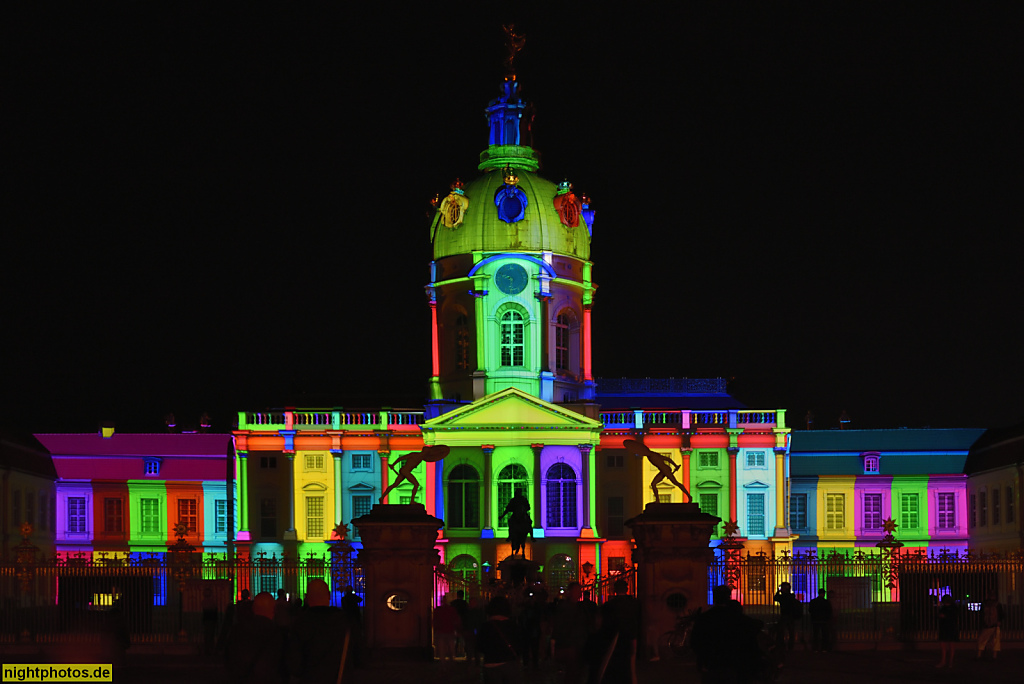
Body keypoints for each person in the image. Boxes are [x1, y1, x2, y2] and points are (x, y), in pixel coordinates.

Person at [691, 585, 764, 683]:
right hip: (734, 664)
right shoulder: (738, 618)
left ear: (714, 598)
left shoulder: (705, 618)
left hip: (711, 664)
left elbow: (695, 642)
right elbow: (753, 632)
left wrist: (703, 659)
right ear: (729, 597)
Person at [287, 579, 351, 684]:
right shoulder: (346, 623)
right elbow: (359, 658)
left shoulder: (299, 624)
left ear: (306, 597)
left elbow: (295, 666)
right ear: (329, 595)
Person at [225, 591, 287, 684]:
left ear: (253, 608)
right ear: (274, 609)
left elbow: (228, 657)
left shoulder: (238, 630)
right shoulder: (278, 633)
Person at [592, 579, 640, 684]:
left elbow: (602, 625)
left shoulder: (609, 605)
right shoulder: (633, 604)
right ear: (627, 589)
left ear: (614, 590)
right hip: (630, 637)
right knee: (631, 667)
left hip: (614, 639)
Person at [550, 582, 598, 684]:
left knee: (574, 673)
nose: (579, 594)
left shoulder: (576, 607)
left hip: (573, 644)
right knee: (573, 673)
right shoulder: (571, 607)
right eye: (577, 591)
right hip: (571, 644)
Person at [477, 596, 523, 683]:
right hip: (508, 663)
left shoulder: (485, 626)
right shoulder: (512, 626)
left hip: (490, 664)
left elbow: (480, 646)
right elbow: (520, 644)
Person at [434, 594, 462, 670]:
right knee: (450, 649)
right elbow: (456, 620)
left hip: (442, 631)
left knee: (442, 649)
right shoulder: (451, 609)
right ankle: (451, 663)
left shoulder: (438, 610)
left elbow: (435, 621)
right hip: (449, 631)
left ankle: (443, 664)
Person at [773, 582, 802, 651]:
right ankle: (790, 647)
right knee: (791, 632)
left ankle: (781, 645)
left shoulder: (782, 597)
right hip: (791, 616)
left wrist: (778, 591)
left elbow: (775, 598)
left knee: (780, 632)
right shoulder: (792, 596)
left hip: (784, 616)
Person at [976, 593, 1003, 660]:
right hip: (995, 624)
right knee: (996, 640)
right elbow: (1001, 614)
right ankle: (994, 655)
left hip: (986, 624)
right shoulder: (997, 604)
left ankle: (979, 655)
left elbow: (981, 614)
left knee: (982, 640)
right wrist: (999, 621)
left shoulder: (984, 604)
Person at [936, 594, 958, 669]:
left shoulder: (951, 608)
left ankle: (948, 661)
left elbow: (953, 617)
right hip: (947, 628)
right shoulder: (945, 608)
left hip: (949, 627)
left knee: (949, 645)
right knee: (947, 645)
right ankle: (946, 661)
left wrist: (944, 616)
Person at [807, 588, 833, 653]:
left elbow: (810, 610)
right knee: (824, 635)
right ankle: (824, 648)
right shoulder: (826, 602)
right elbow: (829, 611)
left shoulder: (813, 601)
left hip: (815, 620)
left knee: (815, 634)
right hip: (824, 620)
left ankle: (815, 648)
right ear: (824, 594)